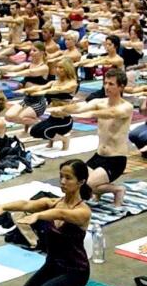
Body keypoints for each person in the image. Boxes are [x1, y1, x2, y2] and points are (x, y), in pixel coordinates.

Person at [0, 159, 93, 286]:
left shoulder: (83, 212)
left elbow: (61, 214)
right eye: (61, 176)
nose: (62, 182)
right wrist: (3, 207)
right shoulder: (53, 202)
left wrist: (39, 216)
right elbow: (27, 204)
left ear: (81, 182)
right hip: (54, 265)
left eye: (68, 178)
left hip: (76, 270)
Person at [52, 68, 134, 208]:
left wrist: (90, 114)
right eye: (105, 83)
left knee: (85, 187)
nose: (106, 87)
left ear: (121, 86)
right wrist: (64, 109)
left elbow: (111, 113)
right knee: (78, 181)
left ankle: (117, 190)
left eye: (111, 84)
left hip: (115, 160)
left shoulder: (127, 107)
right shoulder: (99, 101)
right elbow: (80, 107)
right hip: (98, 156)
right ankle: (101, 189)